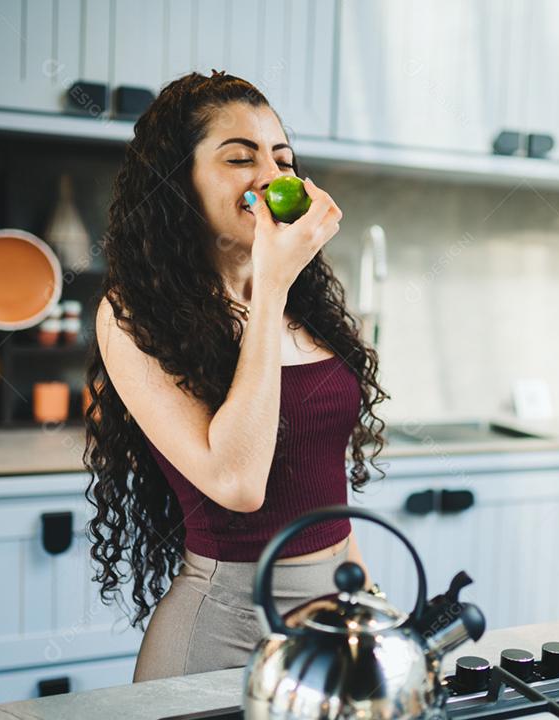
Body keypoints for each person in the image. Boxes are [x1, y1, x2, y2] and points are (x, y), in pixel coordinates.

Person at [83, 70, 389, 681]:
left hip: (331, 622)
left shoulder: (309, 306)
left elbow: (324, 490)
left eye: (283, 158)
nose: (272, 178)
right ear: (179, 182)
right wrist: (271, 282)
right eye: (239, 158)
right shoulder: (132, 315)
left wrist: (371, 603)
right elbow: (238, 483)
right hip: (221, 638)